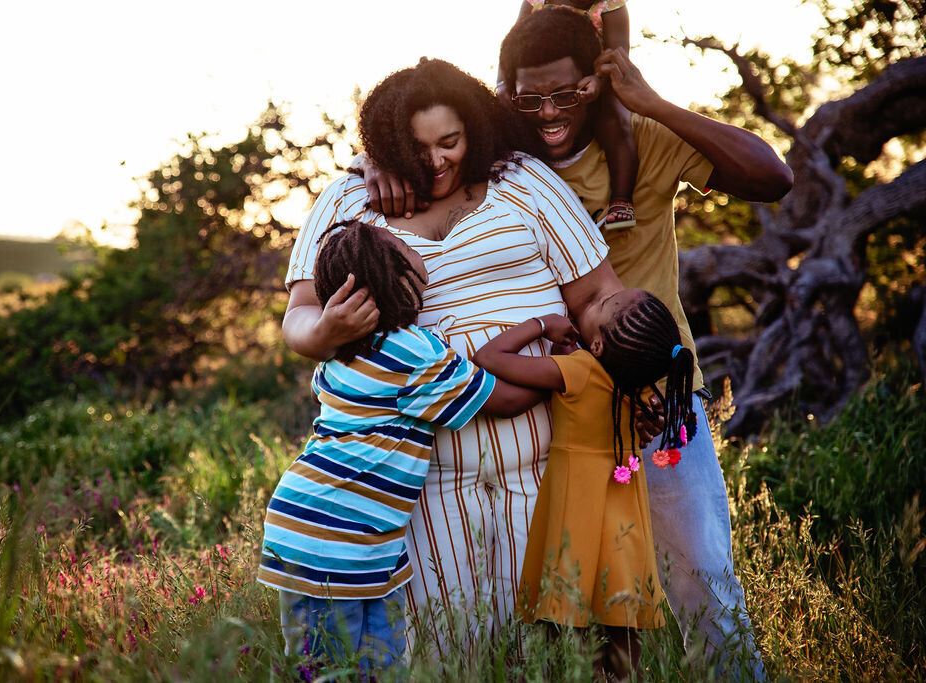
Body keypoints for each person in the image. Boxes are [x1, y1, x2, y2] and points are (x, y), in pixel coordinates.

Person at [365, 7, 793, 678]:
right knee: (583, 598)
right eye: (527, 97)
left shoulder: (644, 139)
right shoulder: (505, 155)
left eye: (566, 93)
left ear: (598, 79)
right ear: (501, 92)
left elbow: (772, 178)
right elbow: (427, 131)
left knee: (699, 569)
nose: (548, 112)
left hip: (653, 388)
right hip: (564, 406)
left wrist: (647, 99)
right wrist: (375, 156)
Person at [281, 58, 622, 651]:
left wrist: (618, 371)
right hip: (418, 494)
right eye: (416, 147)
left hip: (544, 473)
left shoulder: (524, 181)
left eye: (450, 142)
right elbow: (299, 319)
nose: (436, 161)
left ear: (474, 131)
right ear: (385, 144)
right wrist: (328, 329)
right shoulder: (348, 199)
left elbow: (597, 295)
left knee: (549, 651)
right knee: (448, 652)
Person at [258, 219, 547, 672]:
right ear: (391, 278)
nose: (414, 247)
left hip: (330, 530)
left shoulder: (346, 351)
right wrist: (566, 371)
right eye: (400, 246)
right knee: (346, 670)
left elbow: (467, 370)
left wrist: (536, 324)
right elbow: (506, 400)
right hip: (338, 538)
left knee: (364, 667)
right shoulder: (410, 352)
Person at [472, 289, 698, 679]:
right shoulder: (642, 388)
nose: (593, 304)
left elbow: (487, 358)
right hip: (626, 528)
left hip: (577, 519)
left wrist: (540, 325)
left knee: (575, 642)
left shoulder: (577, 371)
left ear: (596, 343)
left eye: (599, 307)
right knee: (623, 649)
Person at [514, 0, 639, 229]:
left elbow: (618, 55)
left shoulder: (611, 7)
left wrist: (598, 81)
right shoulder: (534, 2)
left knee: (617, 122)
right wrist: (504, 85)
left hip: (598, 79)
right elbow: (513, 44)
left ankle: (621, 199)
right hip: (539, 84)